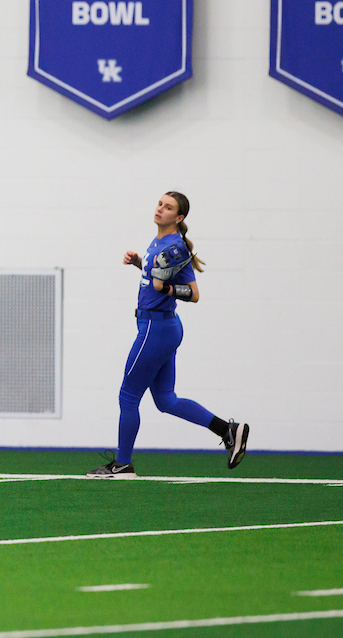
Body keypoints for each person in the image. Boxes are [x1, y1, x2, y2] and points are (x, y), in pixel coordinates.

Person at [88, 192, 249, 479]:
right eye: (160, 204)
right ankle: (228, 430)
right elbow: (158, 276)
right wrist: (140, 263)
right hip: (162, 328)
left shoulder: (175, 246)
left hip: (156, 328)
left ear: (180, 217)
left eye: (168, 207)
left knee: (128, 396)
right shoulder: (161, 242)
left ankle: (123, 464)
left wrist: (168, 290)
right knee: (166, 400)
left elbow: (194, 294)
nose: (160, 209)